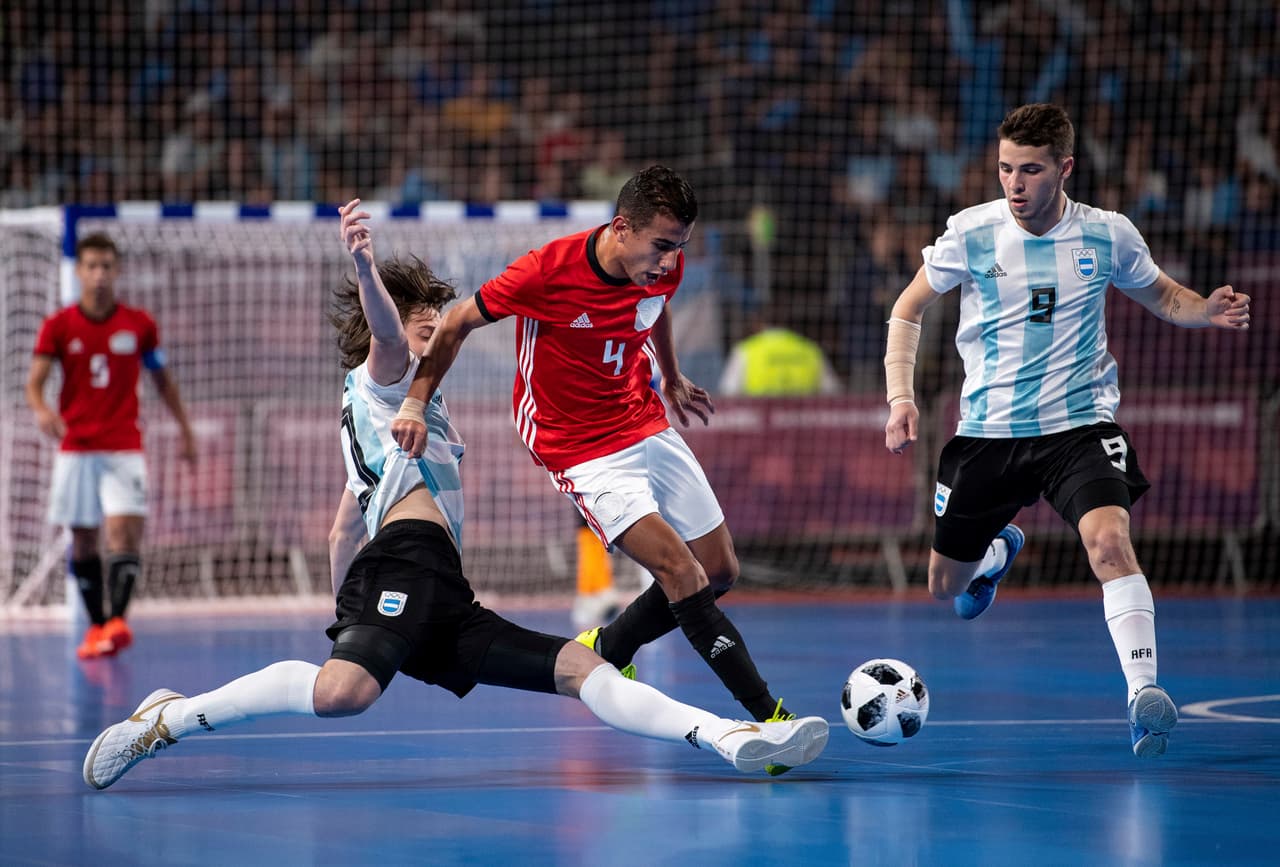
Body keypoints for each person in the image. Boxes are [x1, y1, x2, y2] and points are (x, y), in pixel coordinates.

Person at [82, 200, 827, 791]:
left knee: (581, 668)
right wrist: (366, 267)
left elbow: (345, 525)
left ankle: (731, 737)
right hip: (407, 564)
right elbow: (382, 332)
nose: (432, 326)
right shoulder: (385, 376)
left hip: (440, 587)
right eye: (421, 318)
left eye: (435, 315)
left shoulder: (387, 418)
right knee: (344, 693)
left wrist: (344, 607)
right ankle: (167, 720)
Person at [390, 166, 806, 771]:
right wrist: (413, 402)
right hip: (577, 444)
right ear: (620, 228)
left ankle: (609, 645)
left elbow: (653, 305)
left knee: (719, 570)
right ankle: (769, 722)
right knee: (682, 573)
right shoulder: (546, 271)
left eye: (678, 248)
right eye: (660, 246)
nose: (668, 262)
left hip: (642, 419)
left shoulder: (663, 266)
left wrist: (669, 373)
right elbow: (454, 324)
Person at [882, 103, 1251, 758]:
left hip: (1079, 427)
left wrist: (1205, 311)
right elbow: (908, 308)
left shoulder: (1108, 235)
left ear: (1065, 169)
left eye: (1030, 170)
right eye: (1004, 169)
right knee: (946, 587)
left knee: (1109, 541)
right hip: (988, 434)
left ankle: (1142, 695)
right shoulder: (972, 232)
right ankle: (996, 553)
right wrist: (899, 396)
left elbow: (1164, 295)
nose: (1014, 184)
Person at [26, 232, 197, 659]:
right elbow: (35, 382)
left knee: (124, 533)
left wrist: (186, 430)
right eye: (92, 266)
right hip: (77, 448)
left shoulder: (139, 325)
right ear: (79, 271)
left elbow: (163, 382)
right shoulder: (59, 325)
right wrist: (42, 410)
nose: (100, 274)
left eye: (107, 266)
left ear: (116, 271)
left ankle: (117, 622)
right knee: (83, 540)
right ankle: (99, 627)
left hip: (124, 446)